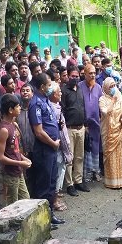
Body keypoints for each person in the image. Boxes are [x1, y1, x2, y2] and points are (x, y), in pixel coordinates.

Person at [28, 73, 65, 226]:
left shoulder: (45, 100)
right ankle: (42, 220)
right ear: (42, 87)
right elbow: (38, 131)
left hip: (51, 148)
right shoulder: (35, 103)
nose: (51, 87)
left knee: (51, 182)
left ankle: (50, 215)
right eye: (49, 85)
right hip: (44, 149)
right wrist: (52, 143)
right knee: (43, 185)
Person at [0, 94, 31, 205]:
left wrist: (24, 158)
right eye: (17, 106)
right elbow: (0, 157)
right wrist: (20, 163)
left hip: (18, 171)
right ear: (11, 110)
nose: (20, 108)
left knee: (26, 200)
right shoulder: (4, 130)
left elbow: (14, 150)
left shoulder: (13, 124)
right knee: (13, 205)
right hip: (10, 174)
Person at [61, 66, 89, 196]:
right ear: (67, 76)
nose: (75, 78)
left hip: (81, 128)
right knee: (69, 158)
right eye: (72, 76)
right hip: (69, 129)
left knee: (79, 156)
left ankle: (78, 181)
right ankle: (70, 184)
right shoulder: (64, 91)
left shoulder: (81, 89)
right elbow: (62, 110)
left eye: (77, 76)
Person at [99, 78, 122, 189]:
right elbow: (105, 112)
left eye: (114, 85)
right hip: (108, 132)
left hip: (118, 130)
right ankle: (110, 181)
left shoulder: (119, 96)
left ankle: (120, 180)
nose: (113, 88)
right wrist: (112, 100)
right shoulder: (102, 99)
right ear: (105, 88)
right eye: (110, 86)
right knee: (110, 156)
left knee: (119, 155)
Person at [78, 64, 103, 183]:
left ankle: (95, 171)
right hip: (83, 123)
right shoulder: (79, 86)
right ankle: (86, 173)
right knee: (85, 148)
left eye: (94, 73)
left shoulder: (98, 87)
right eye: (90, 73)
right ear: (85, 74)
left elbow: (101, 105)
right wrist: (83, 124)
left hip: (96, 124)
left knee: (96, 148)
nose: (93, 75)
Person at [48, 81, 71, 211]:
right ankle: (54, 200)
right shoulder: (52, 109)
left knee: (60, 170)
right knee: (58, 171)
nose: (61, 93)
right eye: (59, 92)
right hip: (58, 145)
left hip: (61, 143)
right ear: (52, 94)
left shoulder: (56, 106)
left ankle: (55, 197)